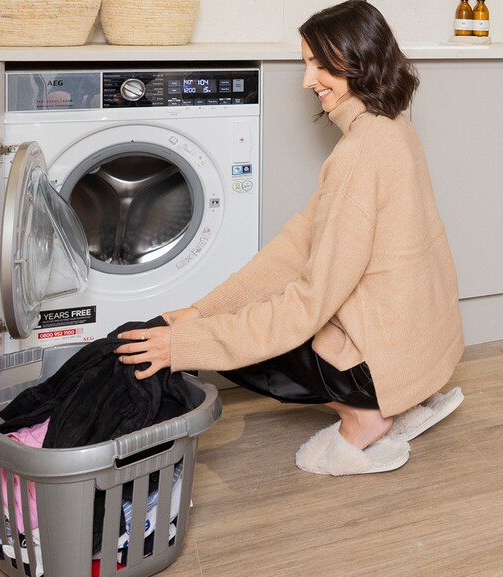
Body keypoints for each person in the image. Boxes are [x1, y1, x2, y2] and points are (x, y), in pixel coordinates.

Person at [114, 0, 465, 476]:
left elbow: (307, 304)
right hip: (419, 346)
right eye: (306, 63)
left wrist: (187, 344)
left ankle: (363, 414)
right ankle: (397, 397)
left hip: (381, 367)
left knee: (247, 340)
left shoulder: (359, 155)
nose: (307, 80)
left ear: (360, 60)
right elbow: (300, 240)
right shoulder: (390, 128)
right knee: (238, 316)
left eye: (320, 65)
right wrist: (204, 310)